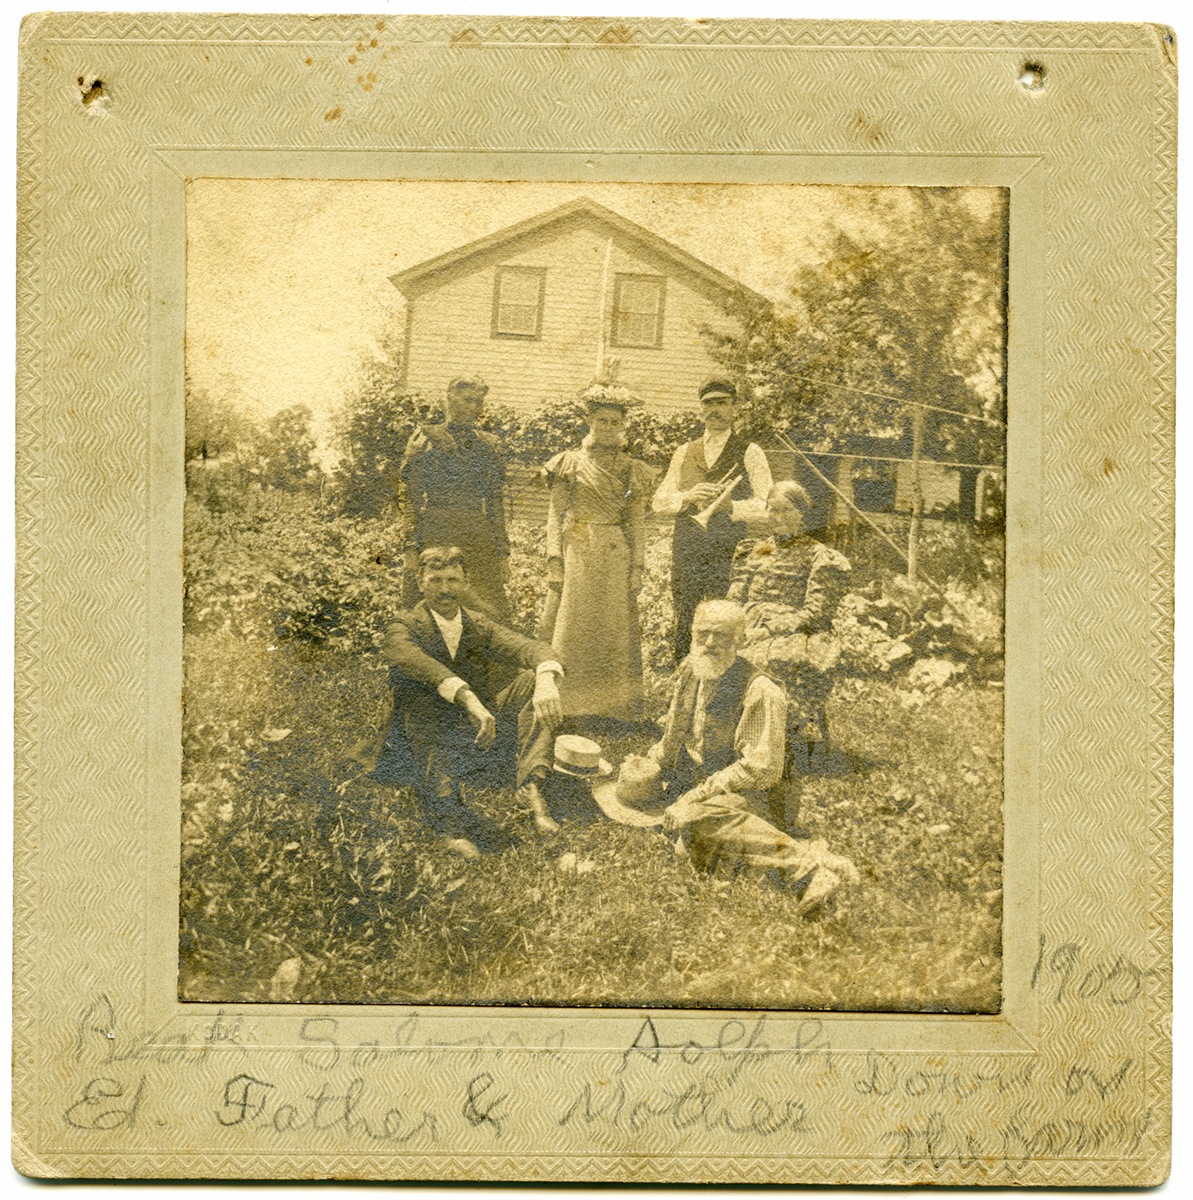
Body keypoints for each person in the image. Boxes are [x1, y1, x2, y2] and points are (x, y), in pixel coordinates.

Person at [645, 600, 858, 913]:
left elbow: (761, 771)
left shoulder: (760, 690)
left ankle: (809, 871)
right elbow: (674, 734)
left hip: (759, 796)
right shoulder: (691, 673)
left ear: (740, 640)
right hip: (706, 791)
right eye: (702, 634)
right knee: (681, 842)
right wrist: (651, 764)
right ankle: (796, 851)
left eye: (721, 636)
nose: (709, 643)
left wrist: (695, 799)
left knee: (691, 827)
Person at [366, 546, 565, 857]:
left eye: (453, 580)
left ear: (465, 582)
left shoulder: (476, 623)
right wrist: (467, 696)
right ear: (420, 582)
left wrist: (546, 680)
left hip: (476, 728)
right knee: (423, 705)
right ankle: (449, 820)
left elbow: (531, 648)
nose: (445, 589)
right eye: (435, 580)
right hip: (423, 731)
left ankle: (531, 788)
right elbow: (417, 663)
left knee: (533, 681)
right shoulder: (403, 625)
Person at [538, 383, 653, 721]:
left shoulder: (633, 469)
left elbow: (637, 521)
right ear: (589, 420)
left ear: (623, 426)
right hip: (579, 550)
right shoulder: (568, 463)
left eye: (614, 422)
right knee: (573, 624)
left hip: (615, 554)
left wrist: (638, 567)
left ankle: (613, 709)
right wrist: (554, 560)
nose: (607, 428)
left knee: (612, 628)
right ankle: (566, 704)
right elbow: (554, 515)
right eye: (601, 420)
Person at [727, 480, 852, 778]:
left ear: (802, 514)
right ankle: (722, 734)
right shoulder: (756, 550)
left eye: (787, 510)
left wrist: (772, 628)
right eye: (773, 510)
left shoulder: (818, 554)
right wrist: (730, 621)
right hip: (750, 621)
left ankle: (770, 743)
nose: (778, 517)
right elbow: (736, 595)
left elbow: (815, 610)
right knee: (716, 656)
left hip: (795, 628)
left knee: (773, 663)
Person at [651, 379, 773, 661]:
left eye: (722, 403)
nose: (715, 410)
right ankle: (682, 676)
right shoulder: (684, 451)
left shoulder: (751, 451)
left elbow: (768, 506)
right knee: (685, 615)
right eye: (708, 403)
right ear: (701, 408)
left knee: (724, 617)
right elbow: (659, 502)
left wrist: (731, 507)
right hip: (687, 547)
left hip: (728, 549)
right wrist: (688, 497)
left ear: (735, 408)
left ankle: (720, 680)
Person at [400, 375, 511, 622]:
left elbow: (495, 503)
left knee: (488, 609)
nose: (473, 407)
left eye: (478, 402)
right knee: (430, 606)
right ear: (449, 399)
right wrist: (410, 547)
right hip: (436, 531)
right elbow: (411, 499)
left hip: (476, 534)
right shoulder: (427, 438)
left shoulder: (488, 445)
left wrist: (502, 554)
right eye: (467, 400)